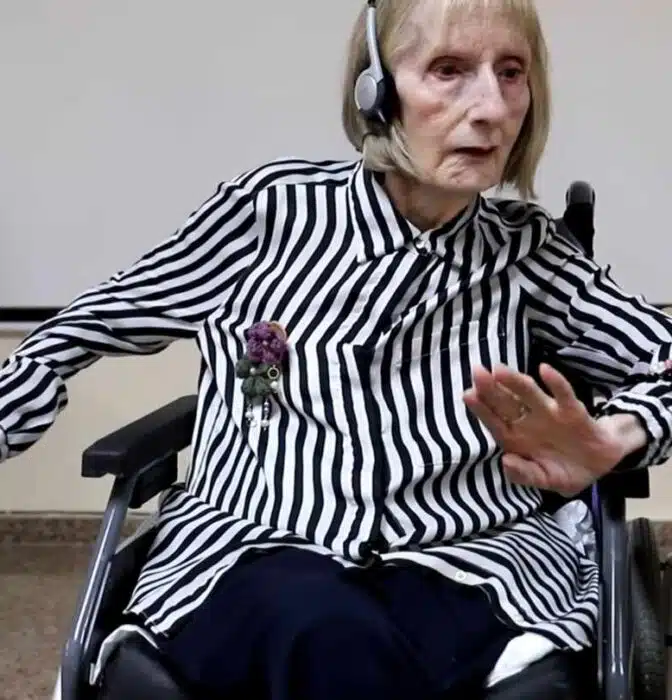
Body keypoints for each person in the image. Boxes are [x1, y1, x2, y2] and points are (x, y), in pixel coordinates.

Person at [4, 0, 672, 698]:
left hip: (470, 564)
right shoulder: (268, 213)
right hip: (253, 549)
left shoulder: (529, 252)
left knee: (354, 640)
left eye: (511, 73)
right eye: (449, 70)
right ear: (374, 91)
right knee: (319, 627)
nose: (492, 108)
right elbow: (80, 330)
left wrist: (616, 436)